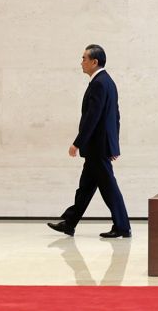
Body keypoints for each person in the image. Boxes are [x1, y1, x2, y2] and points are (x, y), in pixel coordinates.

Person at [47, 44, 131, 238]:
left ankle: (122, 226)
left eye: (84, 58)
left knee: (109, 188)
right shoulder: (106, 81)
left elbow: (92, 118)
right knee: (85, 188)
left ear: (95, 62)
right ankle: (69, 223)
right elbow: (115, 116)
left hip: (97, 147)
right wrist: (114, 145)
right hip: (100, 146)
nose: (81, 62)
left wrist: (77, 143)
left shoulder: (100, 83)